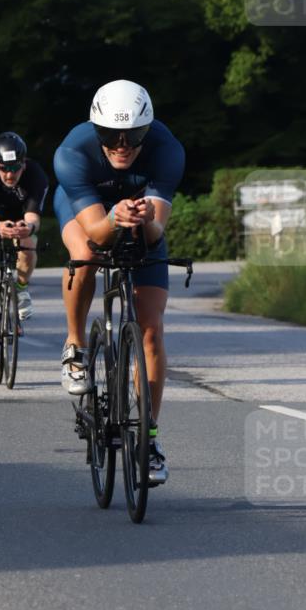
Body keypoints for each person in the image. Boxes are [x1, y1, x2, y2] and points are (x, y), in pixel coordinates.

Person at [53, 79, 185, 486]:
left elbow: (156, 233)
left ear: (149, 130)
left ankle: (148, 438)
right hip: (87, 210)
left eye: (133, 136)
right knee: (86, 255)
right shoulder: (72, 153)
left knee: (151, 332)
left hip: (139, 218)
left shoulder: (167, 150)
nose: (122, 145)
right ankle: (76, 344)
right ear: (97, 131)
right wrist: (114, 218)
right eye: (111, 136)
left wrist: (144, 220)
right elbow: (95, 230)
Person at [0, 132, 49, 369]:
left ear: (23, 164)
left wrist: (28, 227)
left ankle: (21, 289)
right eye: (3, 168)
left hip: (20, 217)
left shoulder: (37, 176)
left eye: (15, 168)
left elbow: (33, 217)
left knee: (28, 245)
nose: (9, 174)